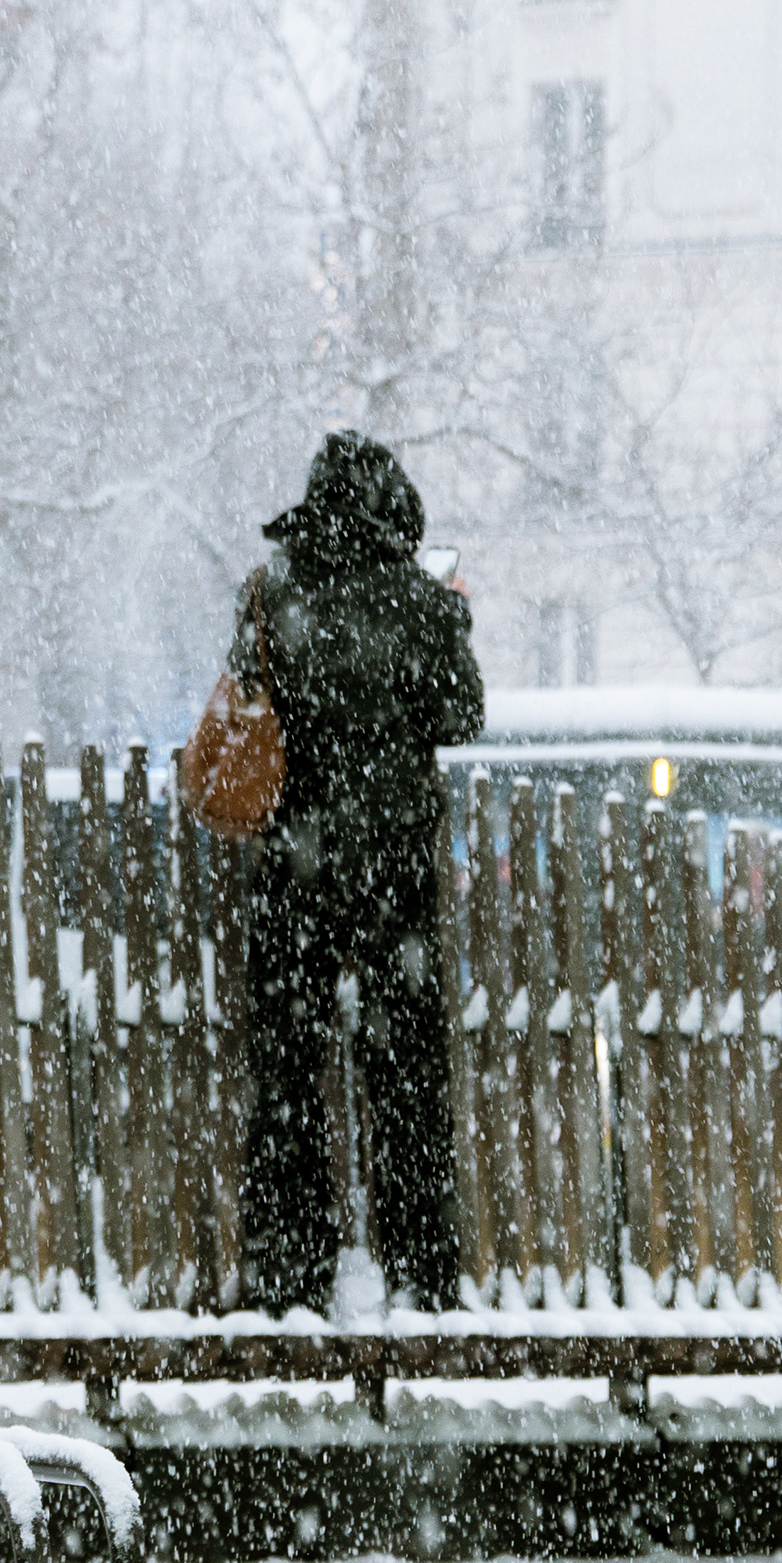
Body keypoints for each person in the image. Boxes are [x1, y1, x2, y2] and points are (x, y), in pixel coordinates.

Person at [235, 431, 485, 1315]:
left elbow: (247, 705)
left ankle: (287, 1273)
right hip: (395, 873)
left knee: (288, 1074)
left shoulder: (271, 594)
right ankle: (420, 1271)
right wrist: (447, 616)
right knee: (407, 1076)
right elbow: (461, 716)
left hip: (296, 867)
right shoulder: (423, 602)